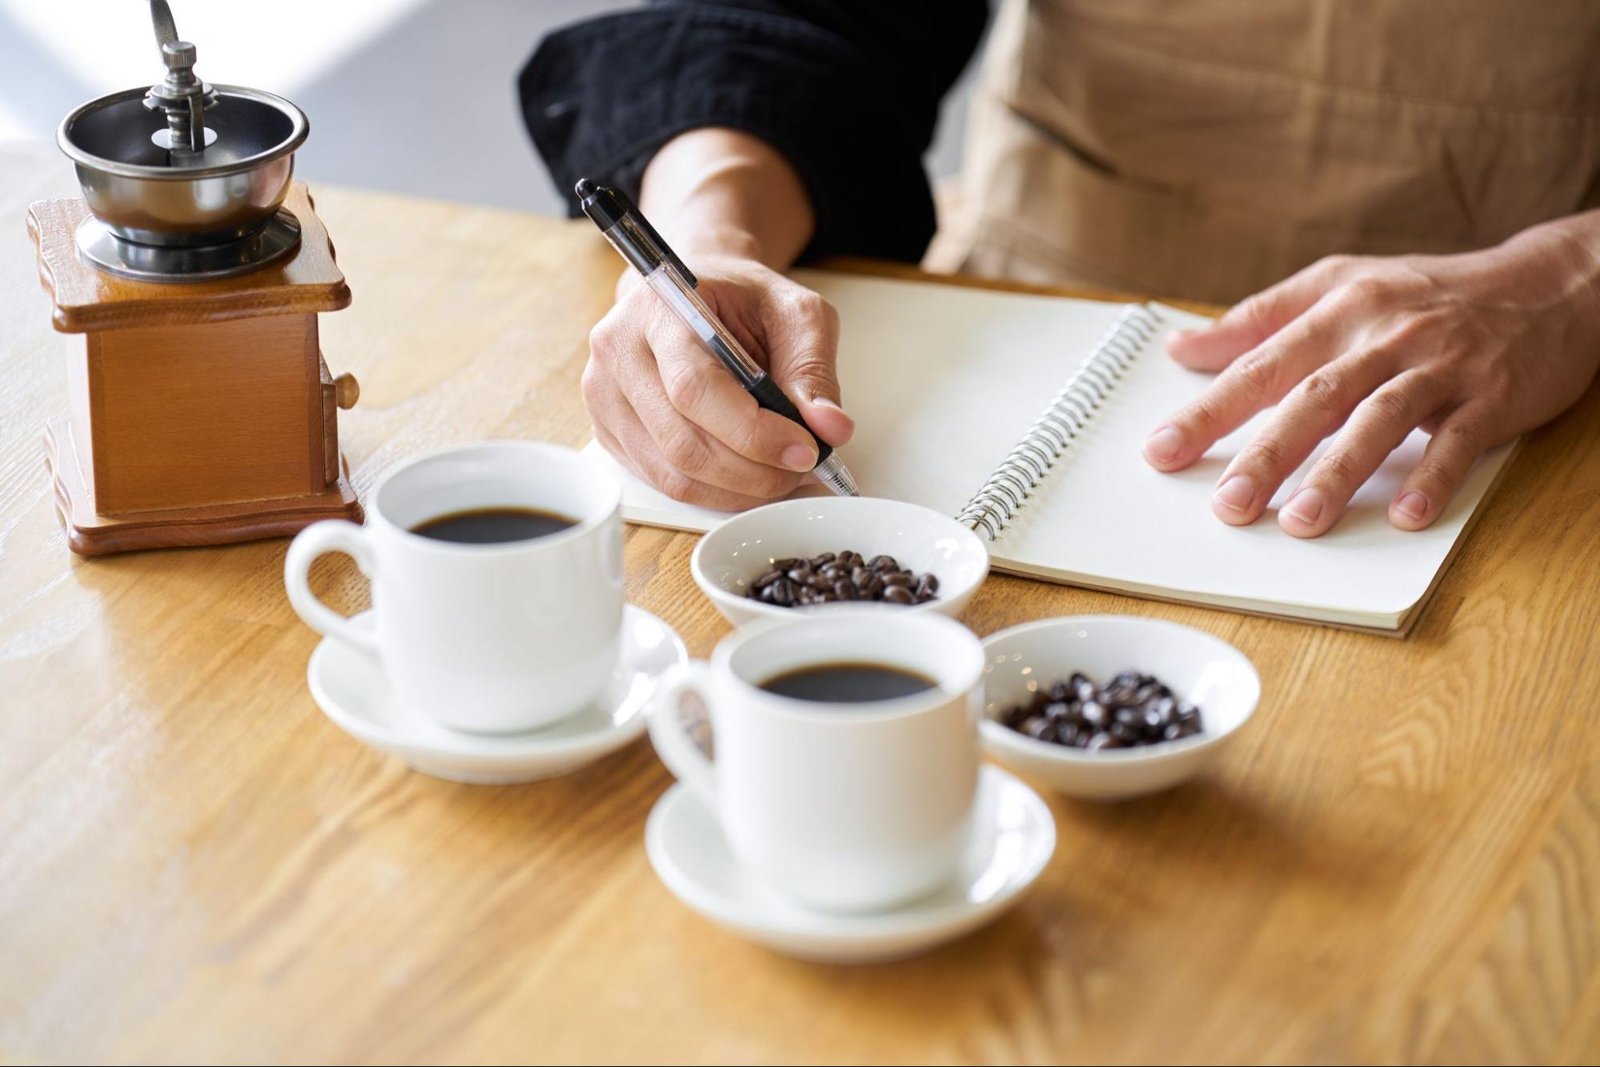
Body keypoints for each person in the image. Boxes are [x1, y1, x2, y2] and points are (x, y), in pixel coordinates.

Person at [519, 1, 1600, 536]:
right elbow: (797, 16)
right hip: (1032, 295)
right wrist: (710, 238)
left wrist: (1571, 272)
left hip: (1519, 363)